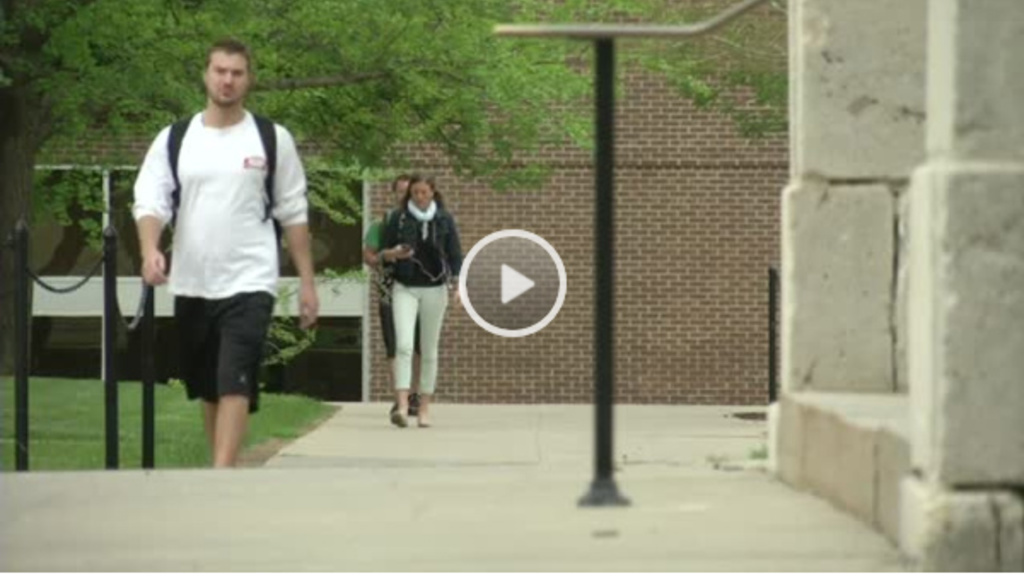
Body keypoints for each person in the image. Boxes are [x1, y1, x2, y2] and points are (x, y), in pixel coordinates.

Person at [132, 38, 318, 467]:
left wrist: (308, 283)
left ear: (248, 79)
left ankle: (219, 476)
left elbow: (293, 212)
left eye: (236, 73)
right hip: (194, 280)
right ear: (206, 75)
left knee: (235, 378)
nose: (228, 80)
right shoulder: (176, 138)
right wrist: (149, 250)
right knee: (208, 385)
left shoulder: (272, 139)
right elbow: (150, 199)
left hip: (251, 279)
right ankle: (224, 468)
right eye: (220, 71)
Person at [381, 174, 462, 428]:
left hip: (435, 288)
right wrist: (394, 254)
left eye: (424, 192)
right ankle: (403, 406)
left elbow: (455, 253)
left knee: (429, 349)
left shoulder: (444, 219)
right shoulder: (398, 217)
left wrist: (458, 285)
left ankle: (424, 407)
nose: (419, 197)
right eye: (415, 193)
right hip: (405, 286)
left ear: (433, 192)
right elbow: (383, 252)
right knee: (404, 345)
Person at [362, 175, 423, 417]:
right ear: (395, 195)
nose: (406, 197)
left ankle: (414, 396)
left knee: (418, 344)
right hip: (390, 288)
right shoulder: (382, 224)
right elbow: (368, 256)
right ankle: (401, 398)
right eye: (401, 192)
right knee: (394, 345)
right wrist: (385, 256)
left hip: (421, 289)